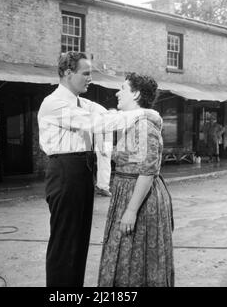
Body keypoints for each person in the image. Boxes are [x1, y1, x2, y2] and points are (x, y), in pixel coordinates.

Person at [38, 52, 152, 287]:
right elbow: (98, 124)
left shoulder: (82, 102)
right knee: (65, 242)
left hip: (81, 170)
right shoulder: (54, 103)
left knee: (79, 241)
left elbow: (108, 115)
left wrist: (128, 113)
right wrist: (144, 113)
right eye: (86, 73)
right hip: (65, 171)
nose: (90, 78)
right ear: (68, 74)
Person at [98, 72, 175, 287]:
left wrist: (131, 211)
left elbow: (147, 171)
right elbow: (132, 158)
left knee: (135, 256)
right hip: (127, 191)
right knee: (127, 255)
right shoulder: (134, 123)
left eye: (123, 88)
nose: (117, 92)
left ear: (136, 94)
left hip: (140, 197)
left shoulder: (143, 125)